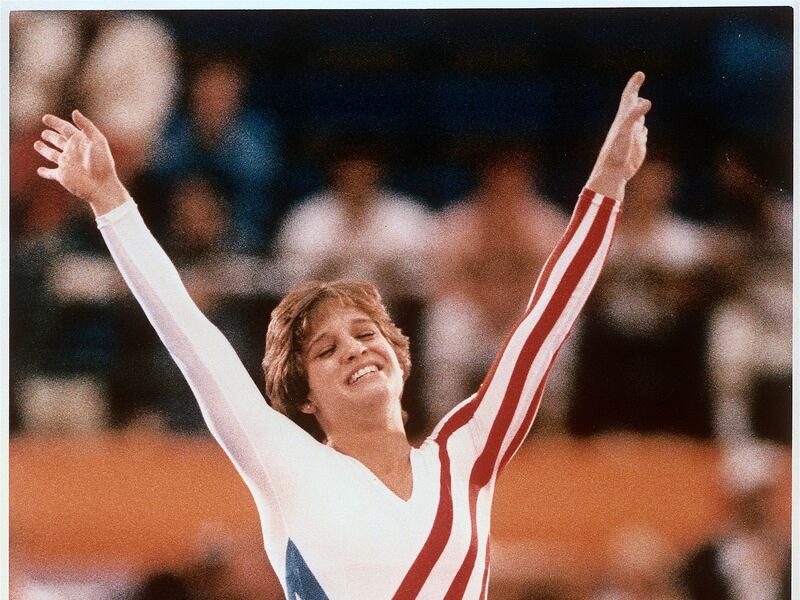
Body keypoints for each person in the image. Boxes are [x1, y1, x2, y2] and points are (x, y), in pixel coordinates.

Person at [35, 72, 650, 599]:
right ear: (305, 396)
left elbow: (543, 324)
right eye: (326, 350)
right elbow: (189, 333)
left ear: (401, 359)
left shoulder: (465, 455)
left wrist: (609, 183)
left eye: (365, 333)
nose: (355, 348)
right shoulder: (284, 461)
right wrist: (110, 200)